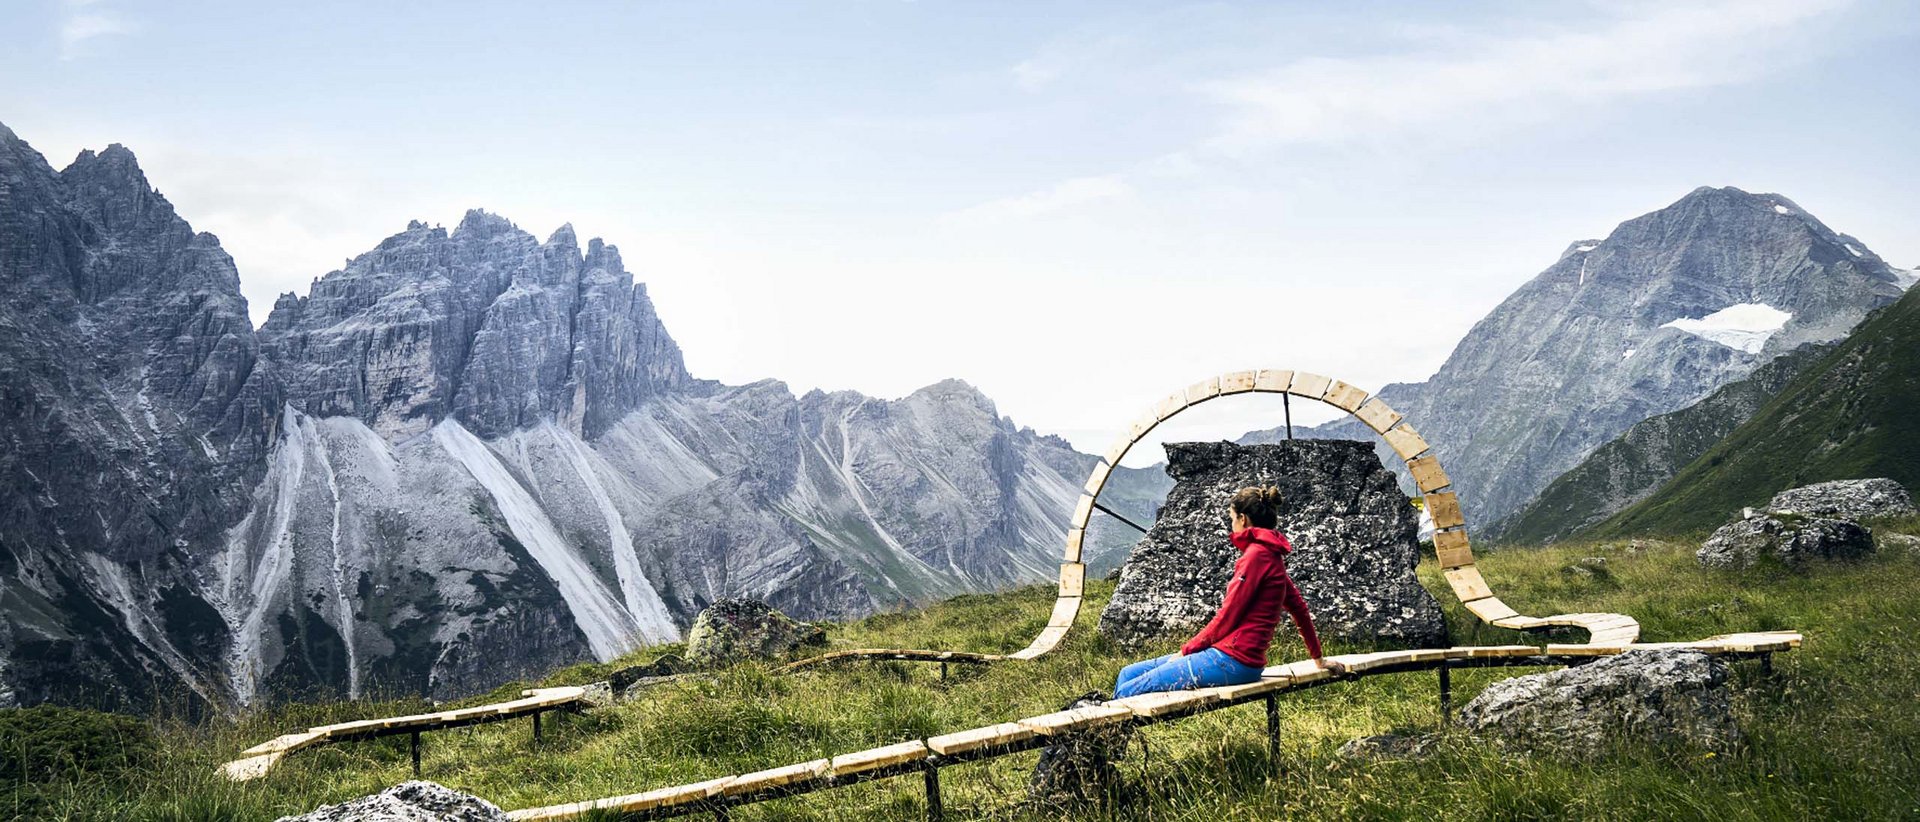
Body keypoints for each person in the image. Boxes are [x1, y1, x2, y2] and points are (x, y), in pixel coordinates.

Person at [1113, 485, 1344, 699]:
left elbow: (1227, 616)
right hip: (1233, 658)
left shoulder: (1255, 556)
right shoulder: (1272, 556)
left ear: (1243, 519)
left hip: (1232, 660)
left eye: (1232, 519)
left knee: (1128, 691)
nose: (1231, 525)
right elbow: (1299, 609)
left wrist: (1186, 651)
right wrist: (1318, 659)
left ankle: (1097, 741)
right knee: (1126, 673)